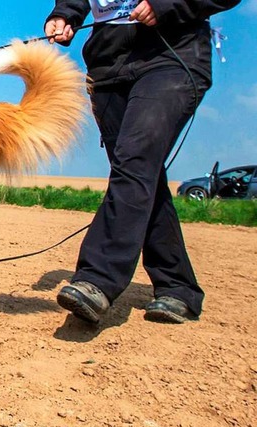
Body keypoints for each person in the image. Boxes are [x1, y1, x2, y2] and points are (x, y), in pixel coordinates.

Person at [44, 0, 240, 324]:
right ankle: (178, 288)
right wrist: (65, 15)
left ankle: (97, 278)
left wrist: (167, 4)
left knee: (134, 163)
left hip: (171, 56)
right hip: (107, 65)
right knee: (138, 173)